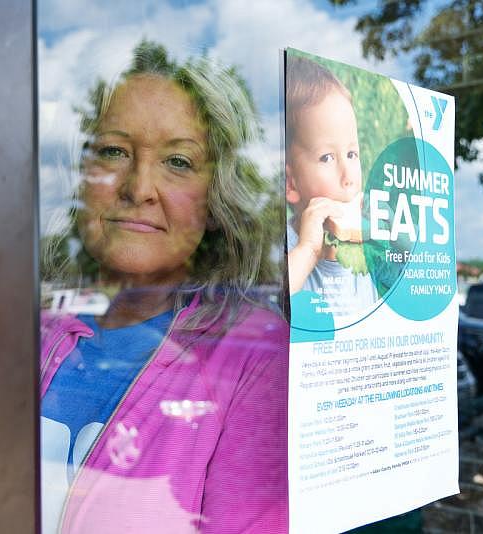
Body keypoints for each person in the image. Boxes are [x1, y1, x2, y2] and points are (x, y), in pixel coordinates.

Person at [40, 41, 288, 533]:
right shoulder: (30, 324)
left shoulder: (255, 354)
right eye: (113, 151)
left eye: (178, 161)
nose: (139, 188)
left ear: (215, 200)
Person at [285, 54, 378, 316]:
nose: (348, 175)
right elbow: (262, 308)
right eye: (327, 157)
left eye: (352, 154)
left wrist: (392, 232)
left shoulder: (370, 253)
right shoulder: (284, 249)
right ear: (291, 184)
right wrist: (308, 250)